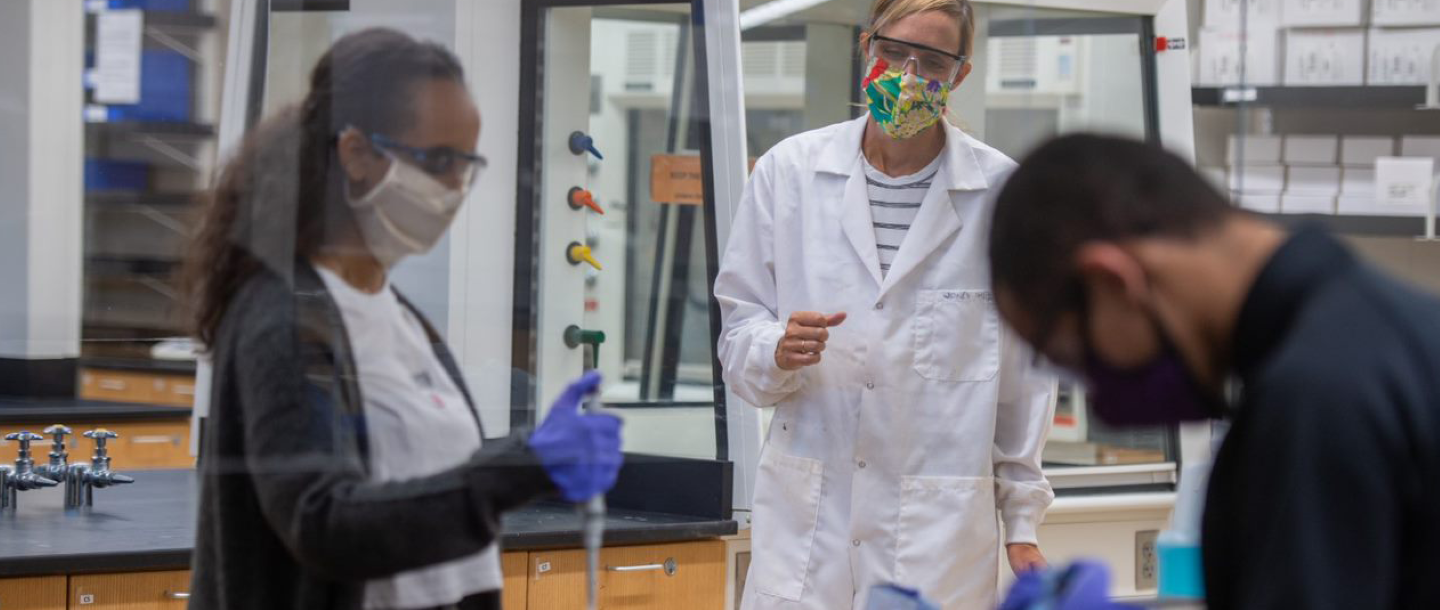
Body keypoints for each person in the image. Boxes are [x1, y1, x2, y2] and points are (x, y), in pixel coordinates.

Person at [181, 29, 623, 610]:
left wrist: (532, 451)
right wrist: (522, 466)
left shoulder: (401, 318)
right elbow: (321, 522)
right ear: (356, 153)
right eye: (439, 160)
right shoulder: (285, 318)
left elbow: (434, 514)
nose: (455, 188)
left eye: (467, 164)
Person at [988, 133, 1440, 609]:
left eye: (1078, 358)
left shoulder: (1314, 397)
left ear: (1114, 280)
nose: (1102, 397)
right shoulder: (1391, 326)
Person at [714, 1, 1056, 608]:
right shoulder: (789, 173)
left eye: (931, 61)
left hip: (937, 535)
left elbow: (1024, 381)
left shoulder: (1006, 198)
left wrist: (1022, 521)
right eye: (894, 52)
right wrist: (776, 349)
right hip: (807, 523)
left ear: (960, 74)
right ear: (866, 47)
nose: (907, 74)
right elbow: (739, 330)